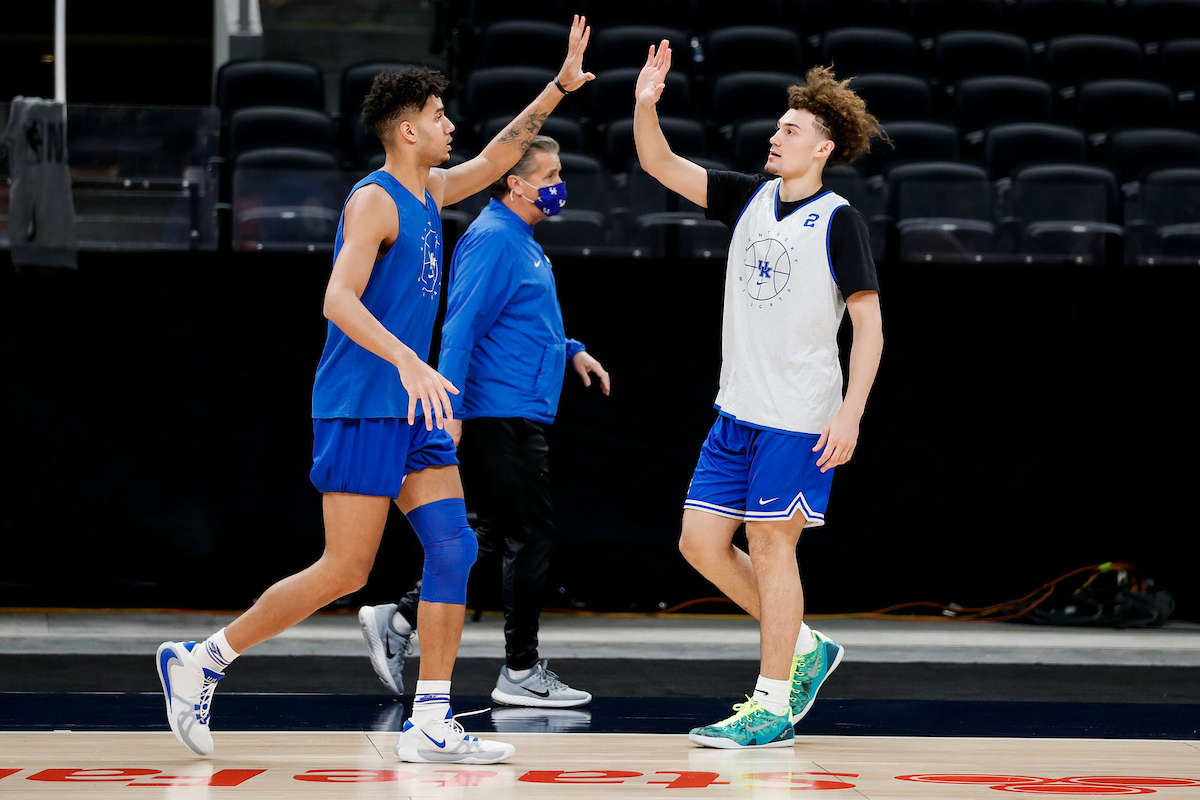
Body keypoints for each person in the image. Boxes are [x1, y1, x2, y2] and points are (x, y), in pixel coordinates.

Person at [154, 16, 596, 764]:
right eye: (438, 115)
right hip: (362, 402)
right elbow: (338, 300)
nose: (451, 124)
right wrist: (411, 362)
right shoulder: (376, 200)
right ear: (405, 131)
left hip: (411, 406)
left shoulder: (433, 190)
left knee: (453, 548)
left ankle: (431, 717)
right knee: (345, 570)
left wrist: (558, 86)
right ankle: (202, 659)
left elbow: (497, 158)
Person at [633, 44, 886, 749]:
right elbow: (659, 165)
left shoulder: (839, 220)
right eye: (776, 127)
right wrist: (646, 105)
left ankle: (771, 705)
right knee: (699, 543)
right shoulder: (747, 197)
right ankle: (805, 645)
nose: (775, 137)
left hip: (798, 416)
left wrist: (851, 413)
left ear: (823, 148)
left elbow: (869, 327)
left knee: (770, 546)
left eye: (791, 131)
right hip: (736, 410)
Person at [359, 135, 608, 710]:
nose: (558, 182)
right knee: (531, 534)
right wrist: (448, 407)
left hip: (515, 405)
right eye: (550, 173)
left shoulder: (519, 239)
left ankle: (397, 621)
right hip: (499, 410)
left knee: (493, 533)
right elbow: (460, 326)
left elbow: (524, 314)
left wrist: (571, 348)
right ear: (515, 183)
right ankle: (520, 668)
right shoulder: (494, 237)